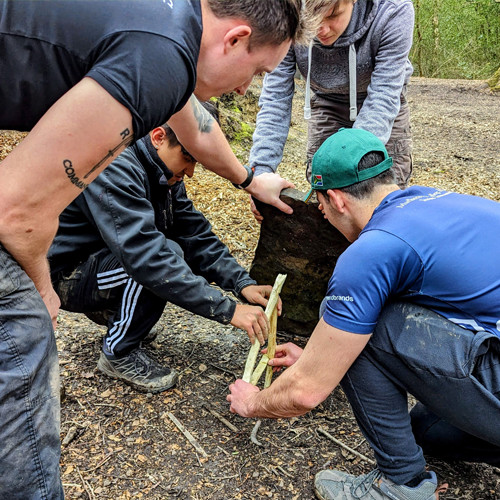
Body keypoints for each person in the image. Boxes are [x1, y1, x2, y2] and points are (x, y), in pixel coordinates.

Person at [0, 1, 311, 497]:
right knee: (24, 351)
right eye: (256, 69)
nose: (244, 89)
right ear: (235, 38)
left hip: (67, 247)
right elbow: (16, 212)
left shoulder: (164, 33)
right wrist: (42, 288)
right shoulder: (156, 69)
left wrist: (249, 187)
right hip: (65, 266)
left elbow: (196, 170)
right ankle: (114, 352)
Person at [227, 128, 500, 500]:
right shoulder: (440, 202)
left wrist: (252, 402)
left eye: (320, 205)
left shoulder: (371, 251)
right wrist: (315, 356)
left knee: (367, 321)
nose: (321, 214)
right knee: (426, 432)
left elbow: (306, 393)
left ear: (337, 200)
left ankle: (402, 486)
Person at [48, 102, 278, 394]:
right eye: (188, 157)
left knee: (172, 250)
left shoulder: (162, 172)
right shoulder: (115, 165)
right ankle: (117, 353)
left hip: (103, 261)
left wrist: (241, 283)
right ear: (158, 137)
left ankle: (120, 316)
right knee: (162, 258)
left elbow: (193, 232)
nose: (191, 172)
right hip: (67, 275)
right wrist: (228, 310)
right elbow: (145, 258)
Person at [249, 0, 415, 221]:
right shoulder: (287, 11)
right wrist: (260, 171)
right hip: (326, 101)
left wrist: (351, 165)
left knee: (382, 193)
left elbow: (384, 96)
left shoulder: (394, 11)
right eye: (311, 19)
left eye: (333, 15)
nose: (321, 30)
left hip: (380, 101)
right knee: (328, 193)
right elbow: (276, 98)